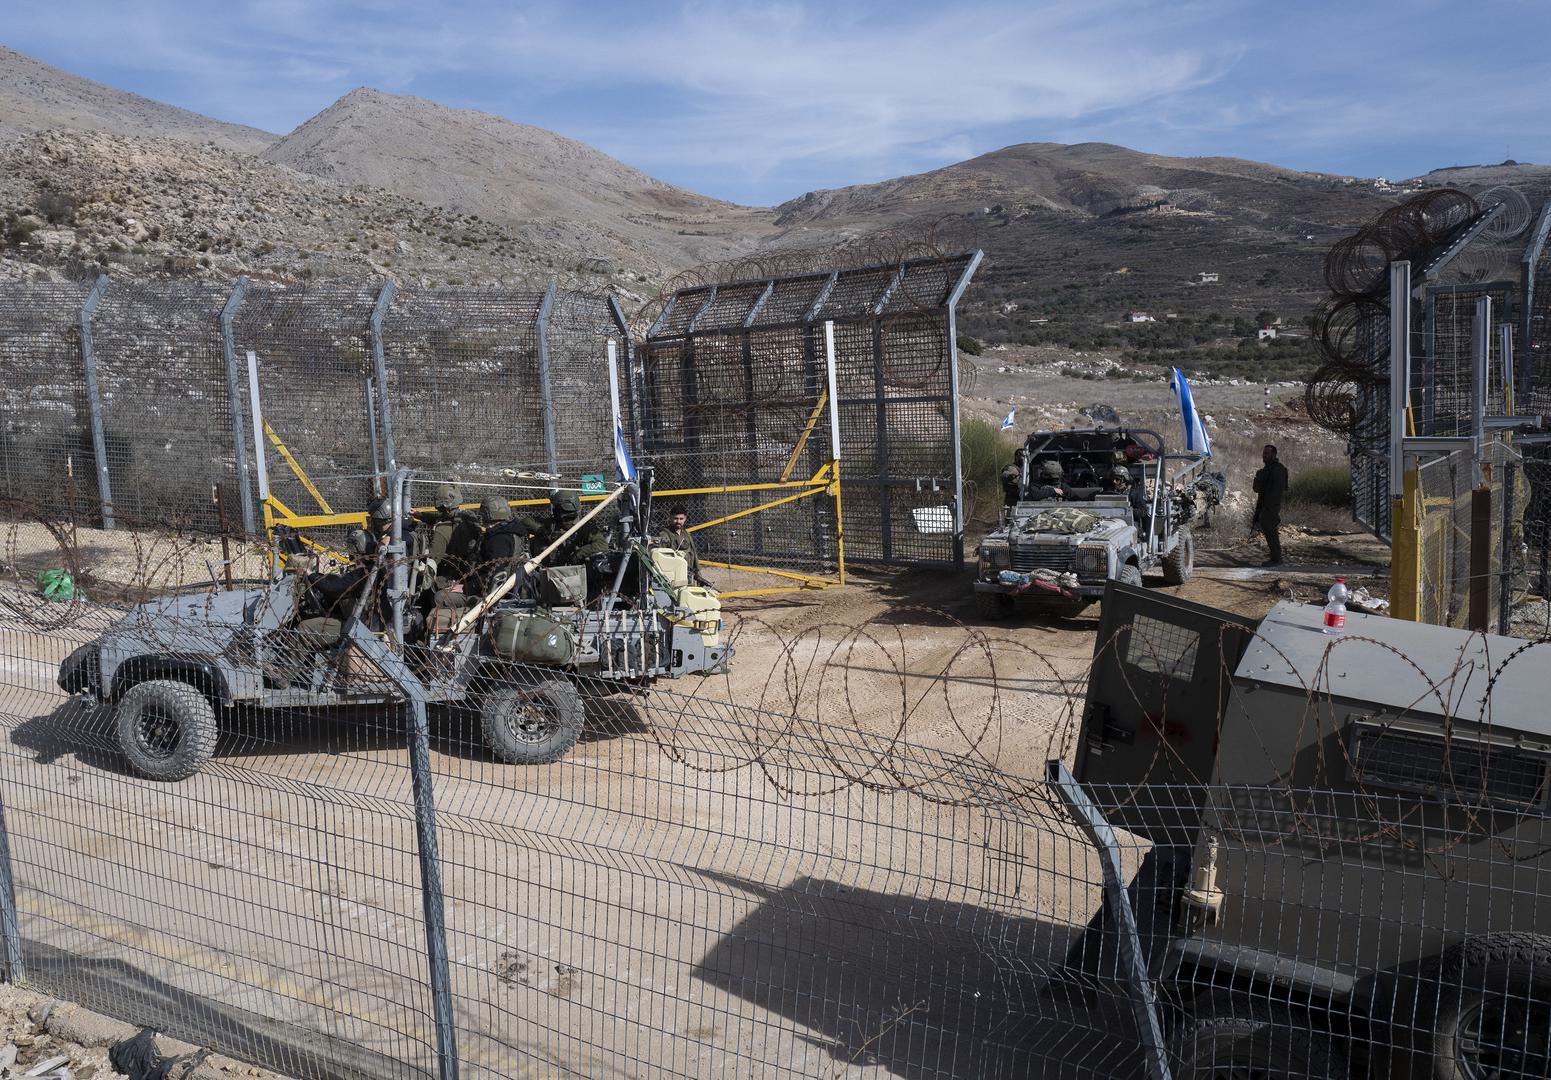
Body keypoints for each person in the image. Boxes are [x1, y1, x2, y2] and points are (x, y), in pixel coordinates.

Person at [1252, 443, 1289, 566]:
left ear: (1274, 454)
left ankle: (1276, 559)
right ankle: (1275, 557)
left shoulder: (1278, 469)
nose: (1264, 456)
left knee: (1271, 531)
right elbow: (1257, 488)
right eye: (1264, 453)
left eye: (1267, 453)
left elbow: (1277, 490)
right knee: (1269, 530)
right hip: (1266, 504)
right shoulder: (1266, 470)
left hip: (1271, 505)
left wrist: (1269, 507)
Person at [658, 504, 703, 581]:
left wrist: (697, 571)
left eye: (681, 519)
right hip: (674, 574)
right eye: (675, 518)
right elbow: (662, 558)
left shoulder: (686, 534)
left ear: (685, 519)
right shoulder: (664, 535)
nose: (678, 521)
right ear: (670, 518)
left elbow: (693, 552)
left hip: (689, 573)